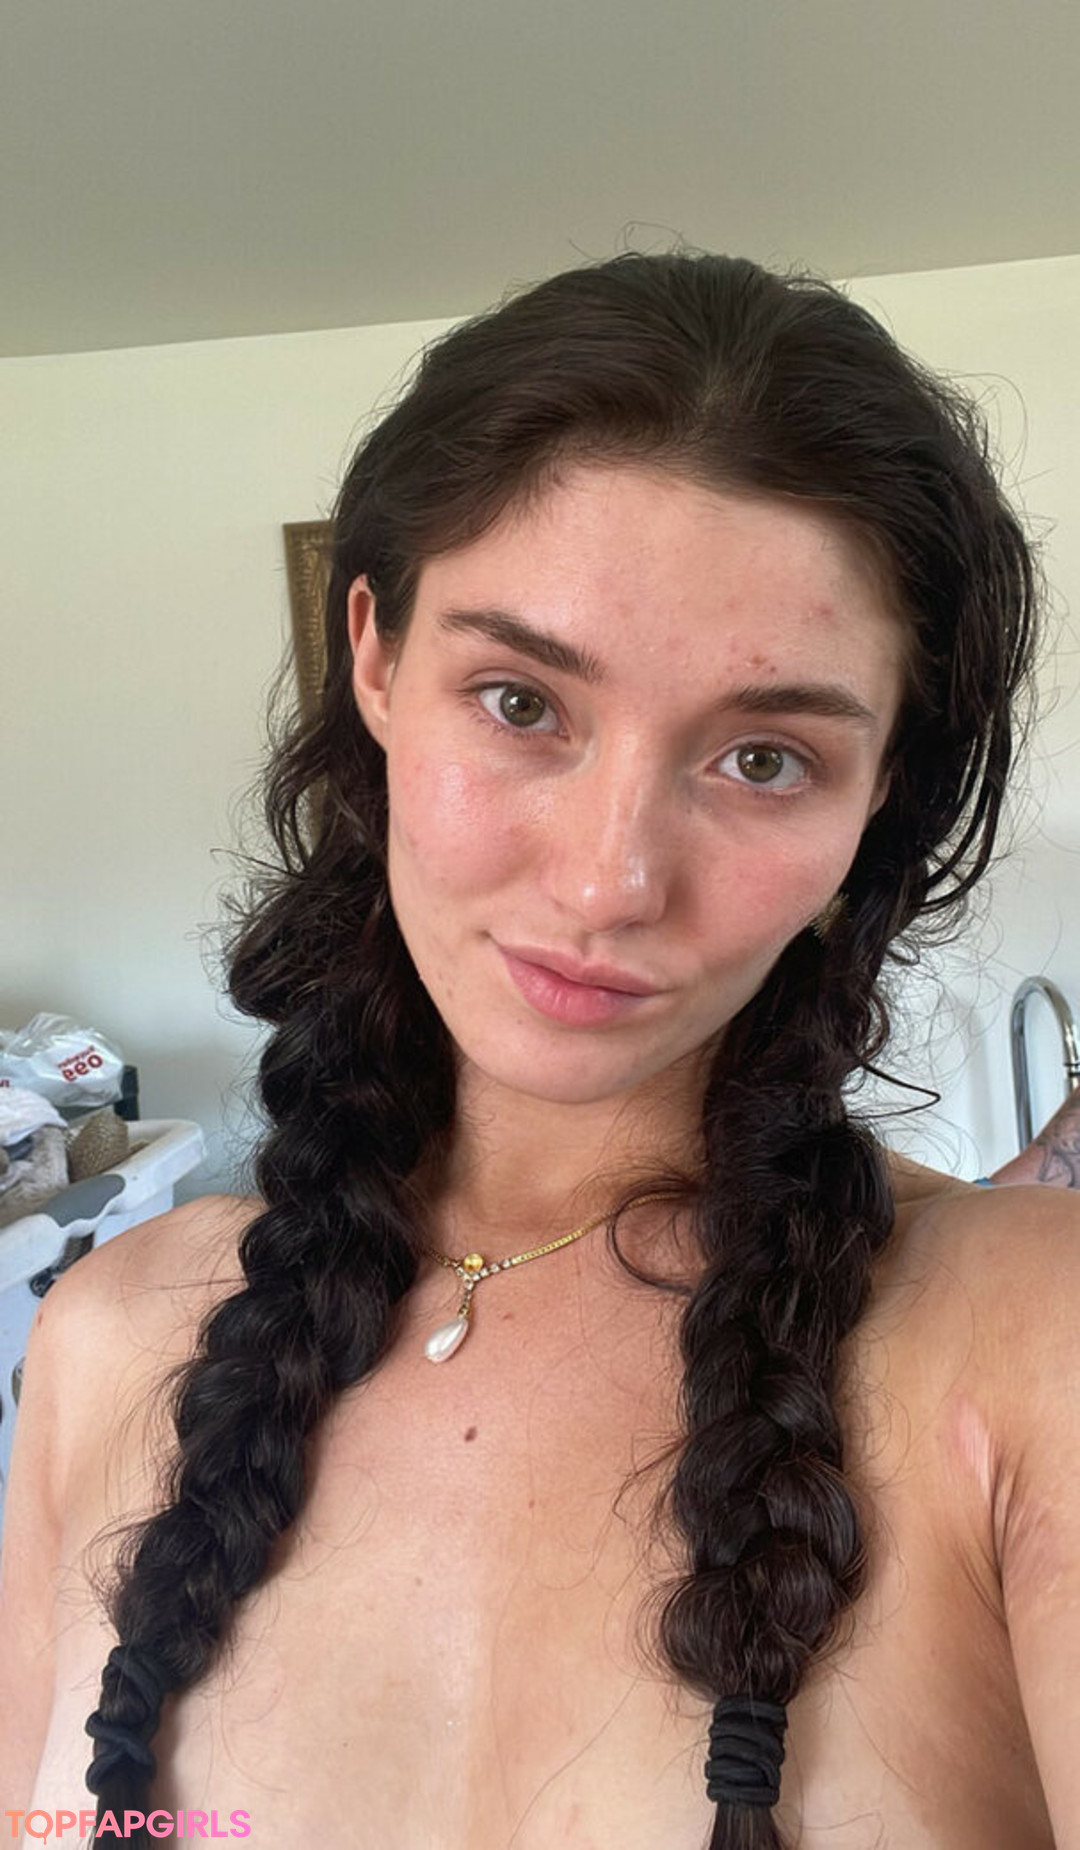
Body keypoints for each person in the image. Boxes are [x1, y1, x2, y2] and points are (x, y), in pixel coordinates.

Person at [1, 250, 1078, 1850]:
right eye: (520, 701)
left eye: (765, 757)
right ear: (374, 656)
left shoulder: (1033, 1336)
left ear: (878, 800)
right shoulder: (106, 1344)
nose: (607, 881)